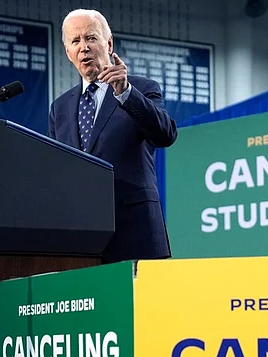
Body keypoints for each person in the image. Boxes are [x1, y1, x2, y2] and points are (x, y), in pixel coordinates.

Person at [48, 9, 177, 271]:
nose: (84, 47)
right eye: (75, 41)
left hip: (135, 236)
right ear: (68, 52)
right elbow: (55, 171)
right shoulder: (59, 108)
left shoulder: (141, 88)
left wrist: (126, 93)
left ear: (108, 44)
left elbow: (165, 134)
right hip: (81, 242)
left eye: (91, 38)